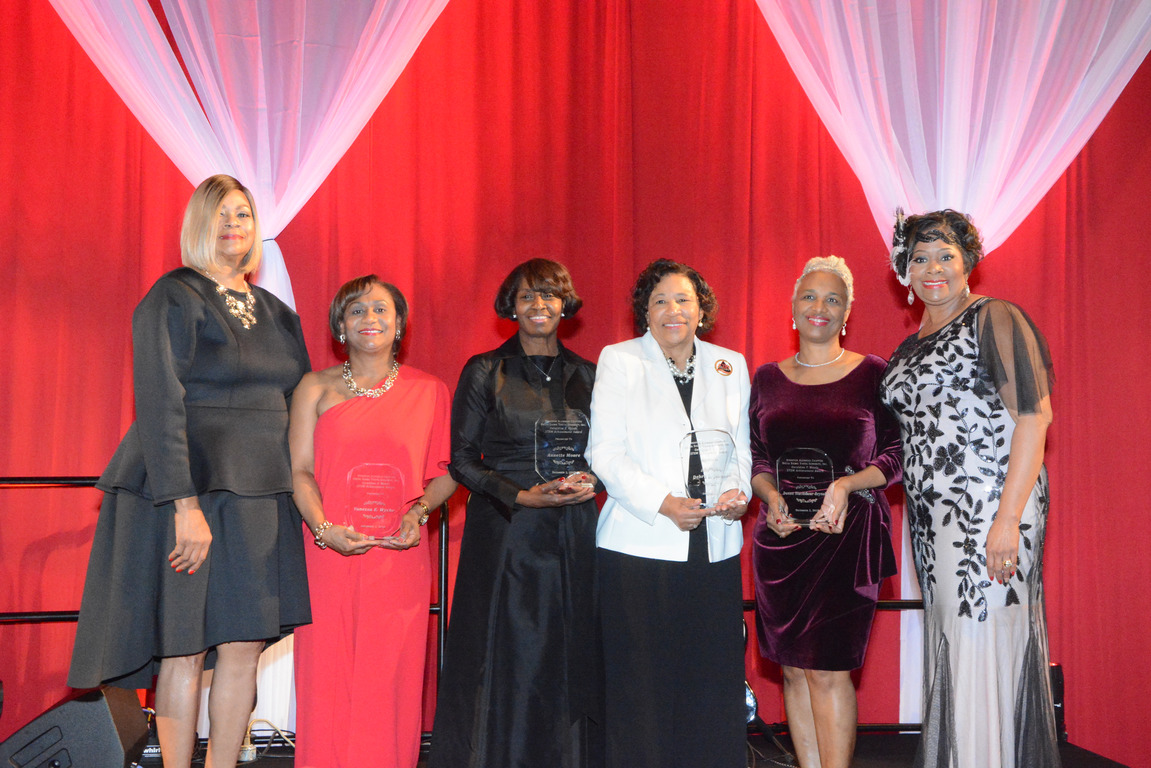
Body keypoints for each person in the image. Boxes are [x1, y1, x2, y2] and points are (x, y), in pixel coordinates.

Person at [68, 174, 312, 768]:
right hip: (190, 494)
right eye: (222, 215)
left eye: (244, 215)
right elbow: (159, 400)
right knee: (182, 646)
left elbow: (304, 401)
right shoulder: (172, 296)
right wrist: (185, 506)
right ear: (198, 225)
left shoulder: (277, 312)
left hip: (261, 494)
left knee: (243, 646)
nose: (235, 226)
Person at [880, 210, 1060, 768]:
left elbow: (1034, 417)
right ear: (903, 271)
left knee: (983, 649)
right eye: (918, 257)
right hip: (933, 529)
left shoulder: (994, 317)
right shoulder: (907, 349)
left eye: (945, 255)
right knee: (955, 649)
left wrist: (1007, 521)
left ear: (968, 264)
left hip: (991, 513)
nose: (932, 268)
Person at [429, 259, 603, 768]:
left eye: (549, 296)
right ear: (511, 306)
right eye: (527, 297)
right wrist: (521, 496)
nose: (539, 306)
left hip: (573, 527)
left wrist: (592, 479)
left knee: (567, 651)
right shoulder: (485, 369)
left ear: (565, 304)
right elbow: (461, 460)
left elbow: (611, 453)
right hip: (506, 532)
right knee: (504, 654)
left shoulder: (590, 374)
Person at [586, 258, 751, 768]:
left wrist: (738, 494)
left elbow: (741, 449)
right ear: (645, 313)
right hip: (640, 547)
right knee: (643, 685)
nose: (672, 310)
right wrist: (663, 504)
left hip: (714, 546)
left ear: (702, 309)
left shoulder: (730, 364)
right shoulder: (620, 360)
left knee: (711, 680)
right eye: (659, 301)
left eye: (683, 299)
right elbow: (604, 454)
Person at [289, 275, 455, 768]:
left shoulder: (430, 391)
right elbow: (298, 470)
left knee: (391, 680)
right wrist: (323, 529)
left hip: (399, 559)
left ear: (399, 323)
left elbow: (445, 475)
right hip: (327, 554)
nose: (370, 320)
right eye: (357, 311)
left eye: (381, 310)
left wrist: (419, 512)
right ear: (340, 325)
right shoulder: (313, 387)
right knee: (328, 677)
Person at [749, 256, 901, 768]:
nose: (820, 306)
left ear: (847, 312)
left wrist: (848, 484)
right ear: (792, 309)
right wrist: (769, 498)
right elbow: (757, 458)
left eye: (833, 298)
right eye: (810, 296)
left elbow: (899, 455)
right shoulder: (767, 379)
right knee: (793, 670)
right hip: (781, 545)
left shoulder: (873, 374)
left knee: (830, 671)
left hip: (848, 539)